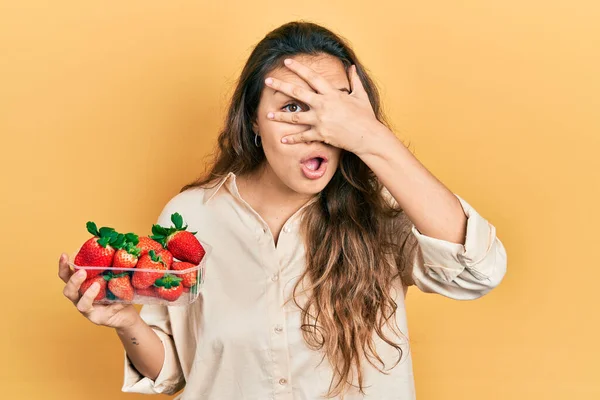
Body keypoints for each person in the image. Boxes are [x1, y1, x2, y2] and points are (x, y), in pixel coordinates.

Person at [58, 21, 507, 400]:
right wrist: (126, 322)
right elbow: (174, 370)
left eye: (333, 107)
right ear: (253, 119)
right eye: (292, 106)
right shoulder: (191, 215)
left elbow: (479, 272)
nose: (317, 127)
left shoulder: (383, 205)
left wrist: (371, 138)